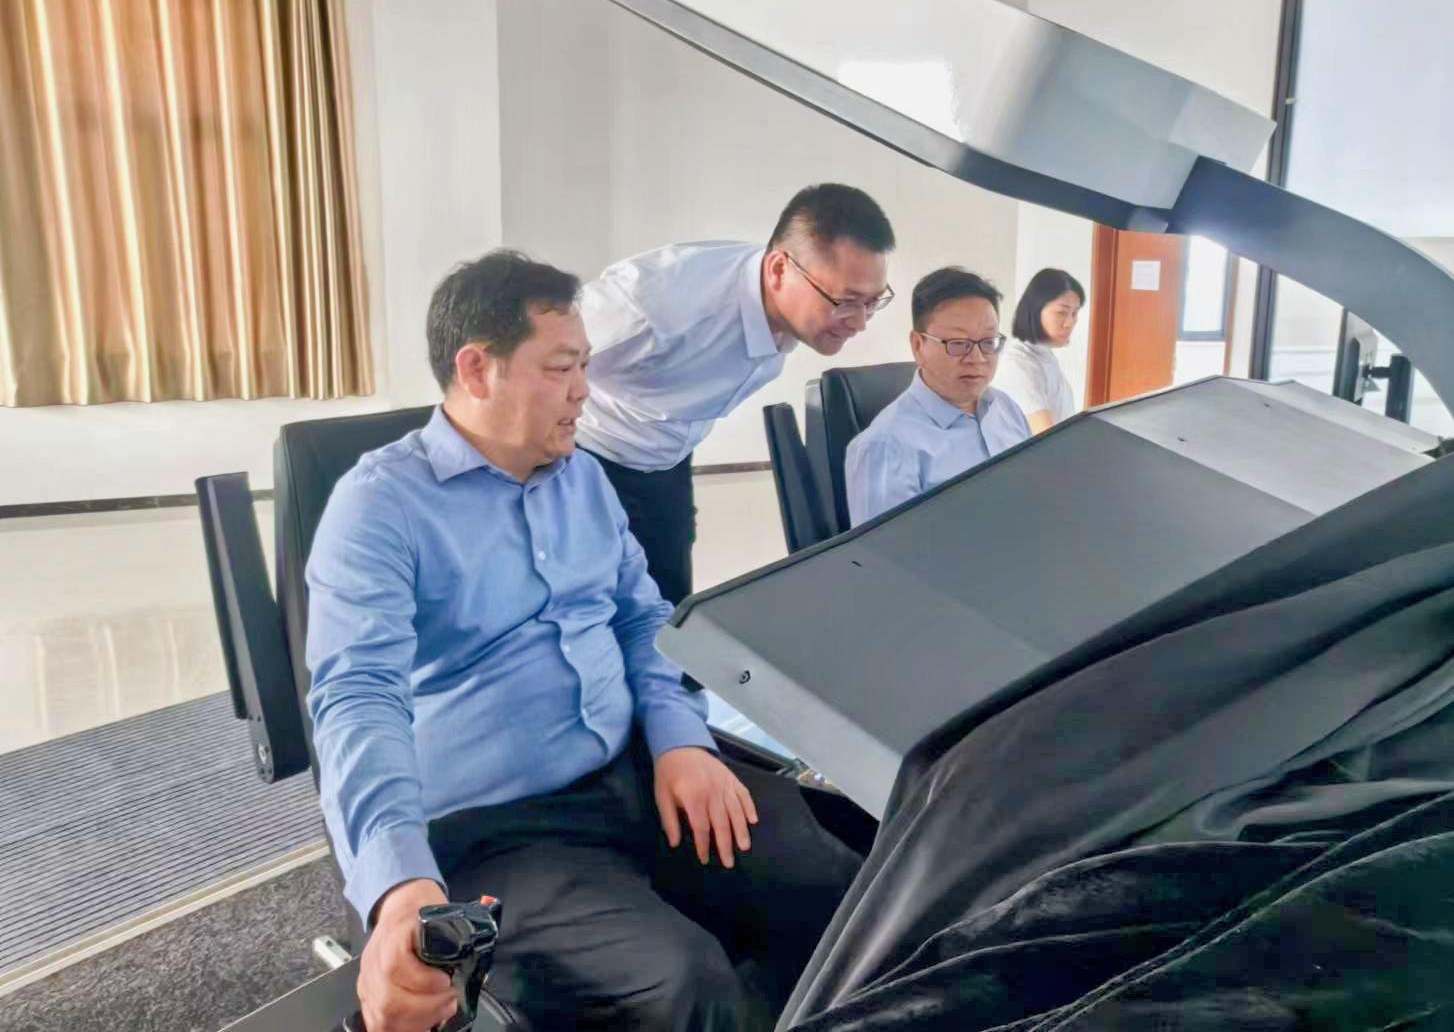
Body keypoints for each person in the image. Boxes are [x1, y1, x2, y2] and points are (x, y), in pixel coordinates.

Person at [305, 251, 860, 1032]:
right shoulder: (380, 506)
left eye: (585, 367)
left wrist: (679, 739)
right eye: (562, 368)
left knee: (838, 888)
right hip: (500, 828)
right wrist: (399, 889)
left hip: (631, 771)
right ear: (477, 369)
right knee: (684, 983)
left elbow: (640, 619)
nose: (584, 391)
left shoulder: (583, 478)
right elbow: (358, 699)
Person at [576, 183, 896, 606]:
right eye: (846, 301)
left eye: (872, 302)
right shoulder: (658, 304)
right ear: (779, 270)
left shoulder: (790, 303)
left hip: (667, 463)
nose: (859, 323)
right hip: (587, 460)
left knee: (668, 611)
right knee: (589, 612)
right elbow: (535, 360)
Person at [843, 267, 1031, 526]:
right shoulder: (885, 446)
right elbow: (884, 551)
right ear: (918, 346)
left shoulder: (1006, 408)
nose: (977, 359)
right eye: (958, 343)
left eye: (988, 342)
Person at [994, 267, 1085, 434]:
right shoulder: (1018, 363)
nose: (1070, 323)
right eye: (1061, 312)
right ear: (1035, 310)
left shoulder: (1044, 354)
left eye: (1075, 313)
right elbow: (1044, 436)